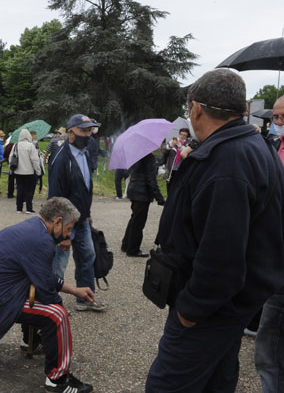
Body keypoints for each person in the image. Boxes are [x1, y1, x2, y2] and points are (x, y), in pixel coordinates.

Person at [145, 69, 284, 392]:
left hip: (210, 311)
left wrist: (190, 310)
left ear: (196, 109)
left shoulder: (227, 161)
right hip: (230, 306)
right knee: (215, 382)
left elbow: (222, 256)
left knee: (167, 385)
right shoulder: (251, 146)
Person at [0, 197, 95, 393]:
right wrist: (60, 311)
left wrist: (74, 290)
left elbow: (43, 276)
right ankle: (57, 380)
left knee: (35, 290)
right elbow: (47, 291)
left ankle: (30, 341)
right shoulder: (42, 241)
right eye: (68, 229)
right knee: (57, 315)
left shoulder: (35, 226)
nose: (69, 234)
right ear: (57, 221)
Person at [48, 114, 105, 313]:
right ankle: (50, 304)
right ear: (70, 133)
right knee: (58, 264)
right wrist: (62, 233)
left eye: (90, 130)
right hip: (64, 224)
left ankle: (85, 298)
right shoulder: (61, 158)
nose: (87, 134)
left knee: (87, 256)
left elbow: (84, 187)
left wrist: (87, 213)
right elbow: (55, 198)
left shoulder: (85, 153)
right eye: (83, 130)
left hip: (81, 220)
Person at [255, 94, 284, 393]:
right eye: (275, 117)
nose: (278, 123)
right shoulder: (274, 145)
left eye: (283, 117)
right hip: (275, 253)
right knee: (269, 342)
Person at [120, 153, 165, 257]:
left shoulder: (137, 155)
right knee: (138, 223)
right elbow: (151, 179)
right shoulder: (149, 157)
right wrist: (159, 198)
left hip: (134, 188)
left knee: (134, 219)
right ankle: (133, 249)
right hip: (142, 193)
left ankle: (126, 244)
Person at [10, 129, 41, 214]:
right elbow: (35, 160)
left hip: (18, 171)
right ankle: (29, 208)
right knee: (29, 190)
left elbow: (11, 158)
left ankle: (19, 208)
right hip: (29, 172)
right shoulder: (31, 146)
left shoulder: (16, 145)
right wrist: (38, 171)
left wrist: (12, 168)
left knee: (19, 190)